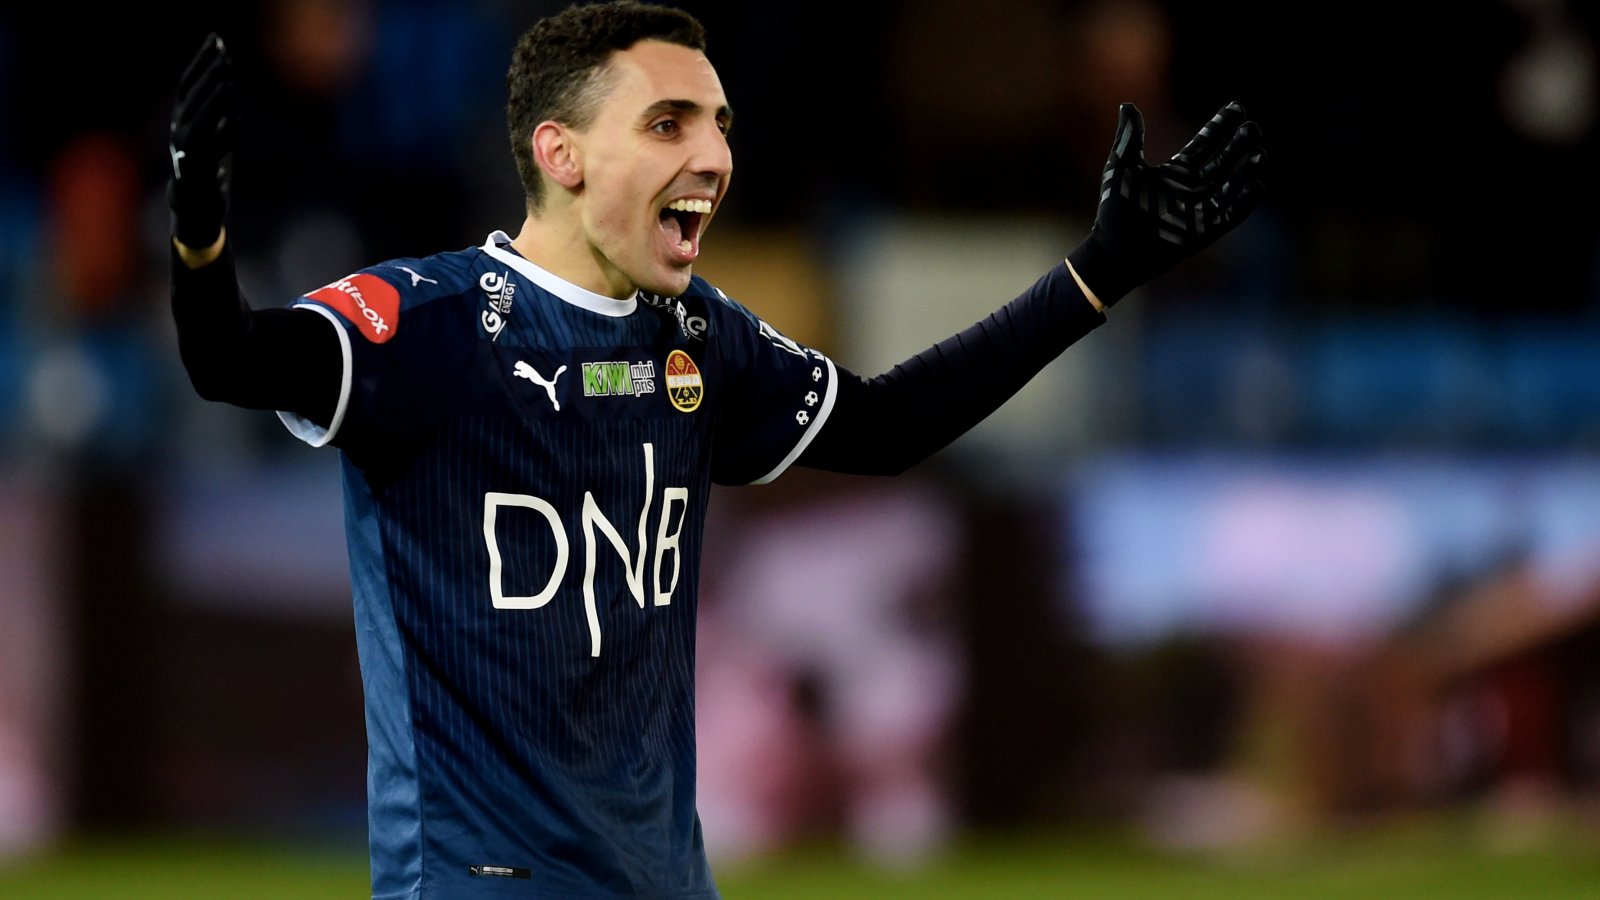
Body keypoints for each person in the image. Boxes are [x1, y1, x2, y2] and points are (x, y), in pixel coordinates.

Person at [166, 2, 1265, 897]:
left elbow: (889, 426)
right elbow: (231, 360)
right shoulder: (427, 324)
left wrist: (1099, 272)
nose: (713, 156)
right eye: (668, 124)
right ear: (561, 153)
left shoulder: (698, 337)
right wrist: (202, 240)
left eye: (719, 124)